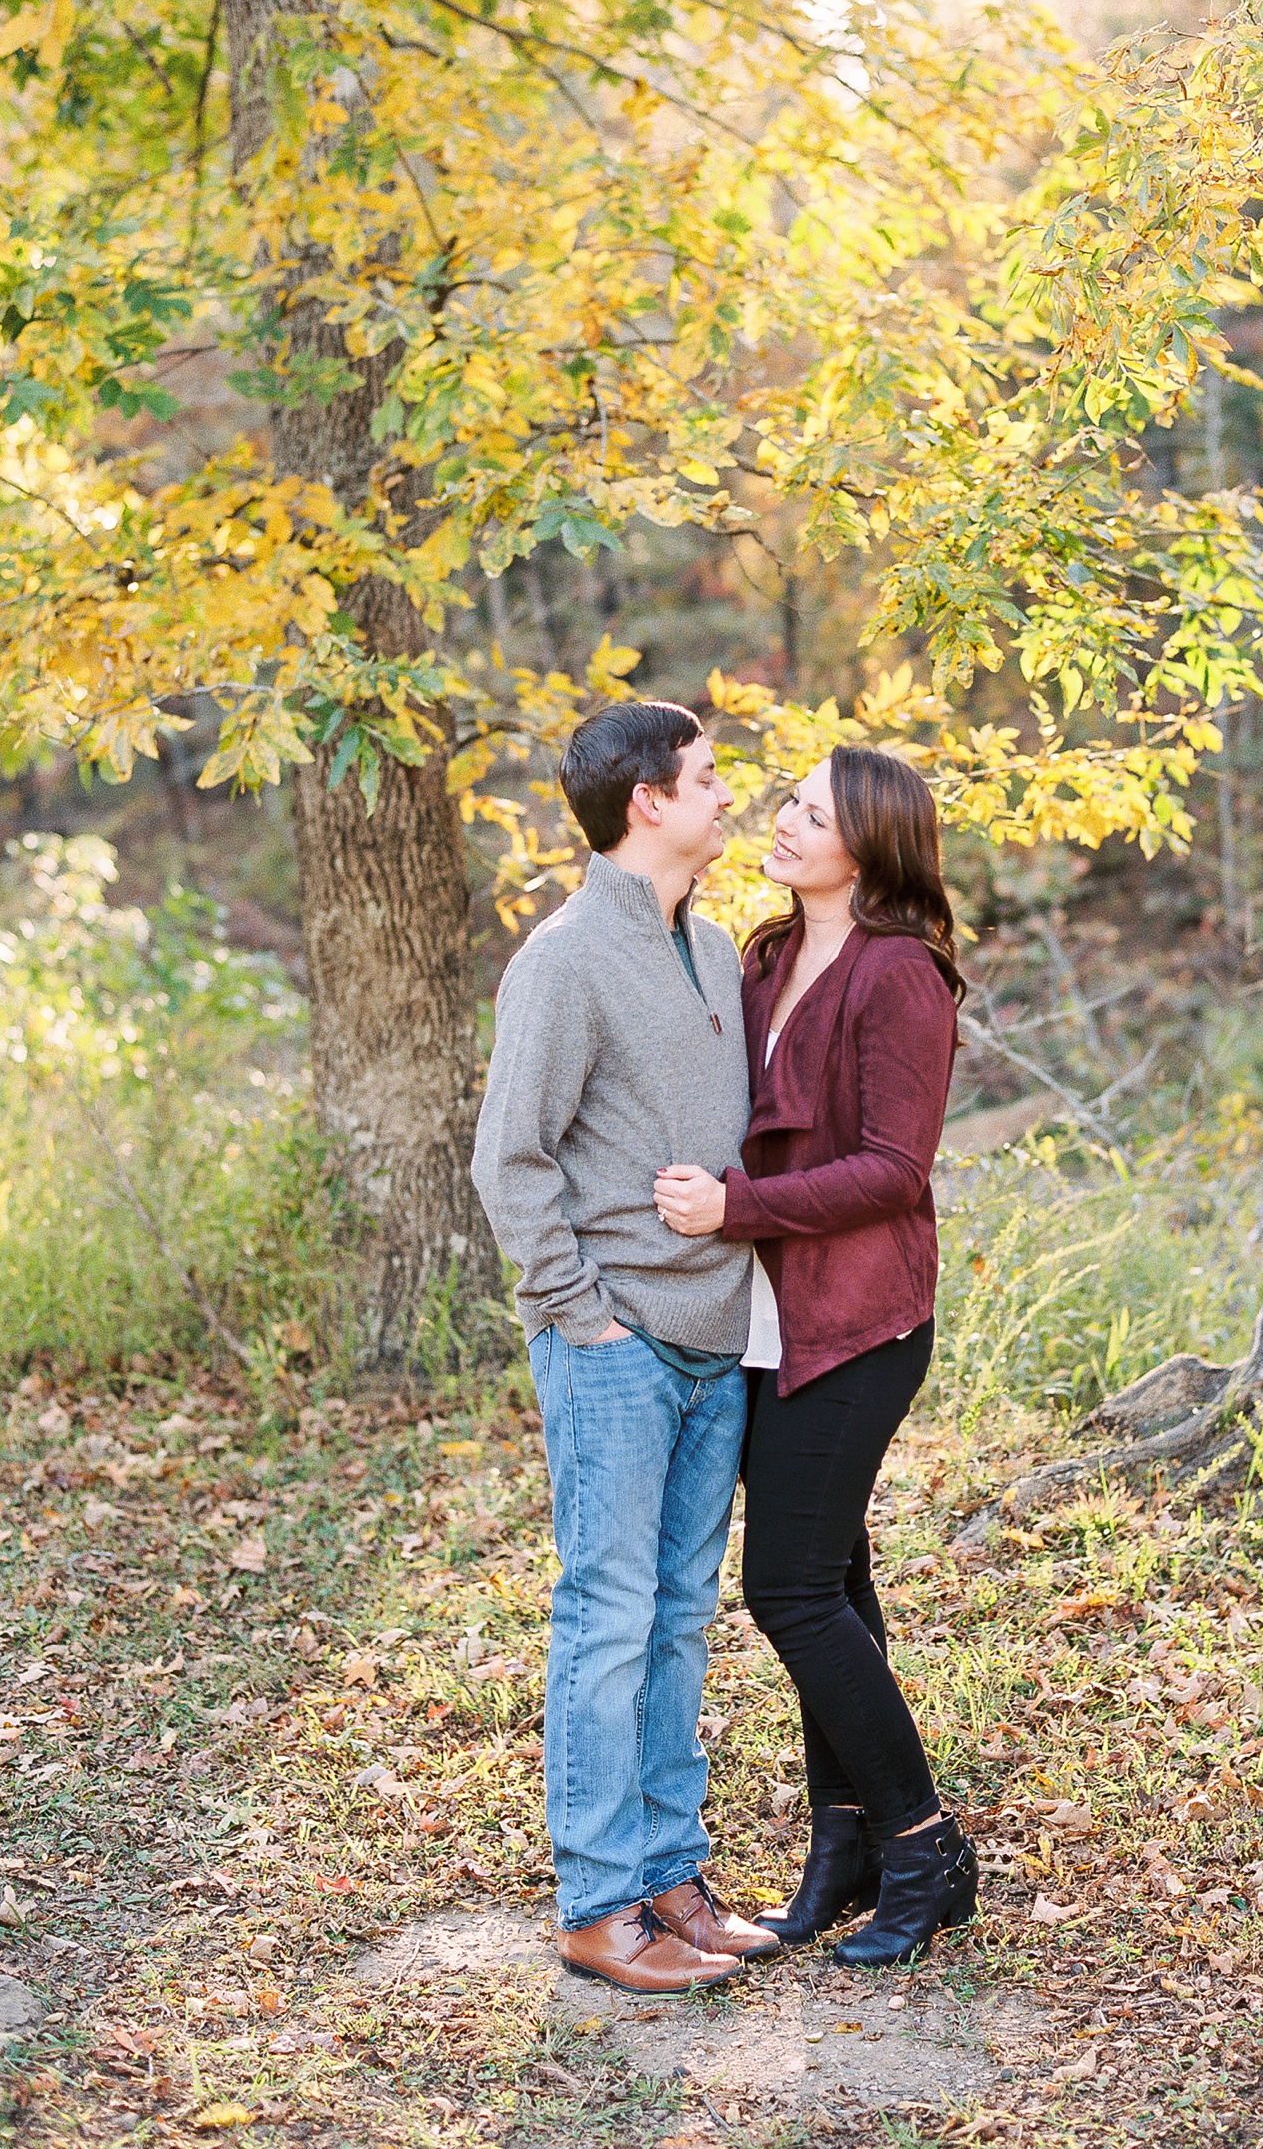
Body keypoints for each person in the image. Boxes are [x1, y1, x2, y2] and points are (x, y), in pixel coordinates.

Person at [471, 701, 782, 1996]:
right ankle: (598, 1903)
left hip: (717, 1339)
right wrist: (580, 1310)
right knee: (606, 1617)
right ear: (647, 800)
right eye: (708, 775)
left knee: (676, 1620)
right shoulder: (562, 957)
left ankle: (669, 1876)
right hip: (617, 1348)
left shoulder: (710, 942)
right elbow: (511, 1157)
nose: (727, 792)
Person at [653, 744, 978, 1967]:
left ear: (871, 847)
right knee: (834, 1585)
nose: (785, 824)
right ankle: (844, 1848)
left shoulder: (900, 976)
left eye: (814, 815)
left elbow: (897, 1169)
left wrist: (732, 1208)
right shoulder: (767, 956)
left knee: (786, 1589)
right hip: (770, 1320)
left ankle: (925, 1842)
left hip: (861, 1321)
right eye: (788, 803)